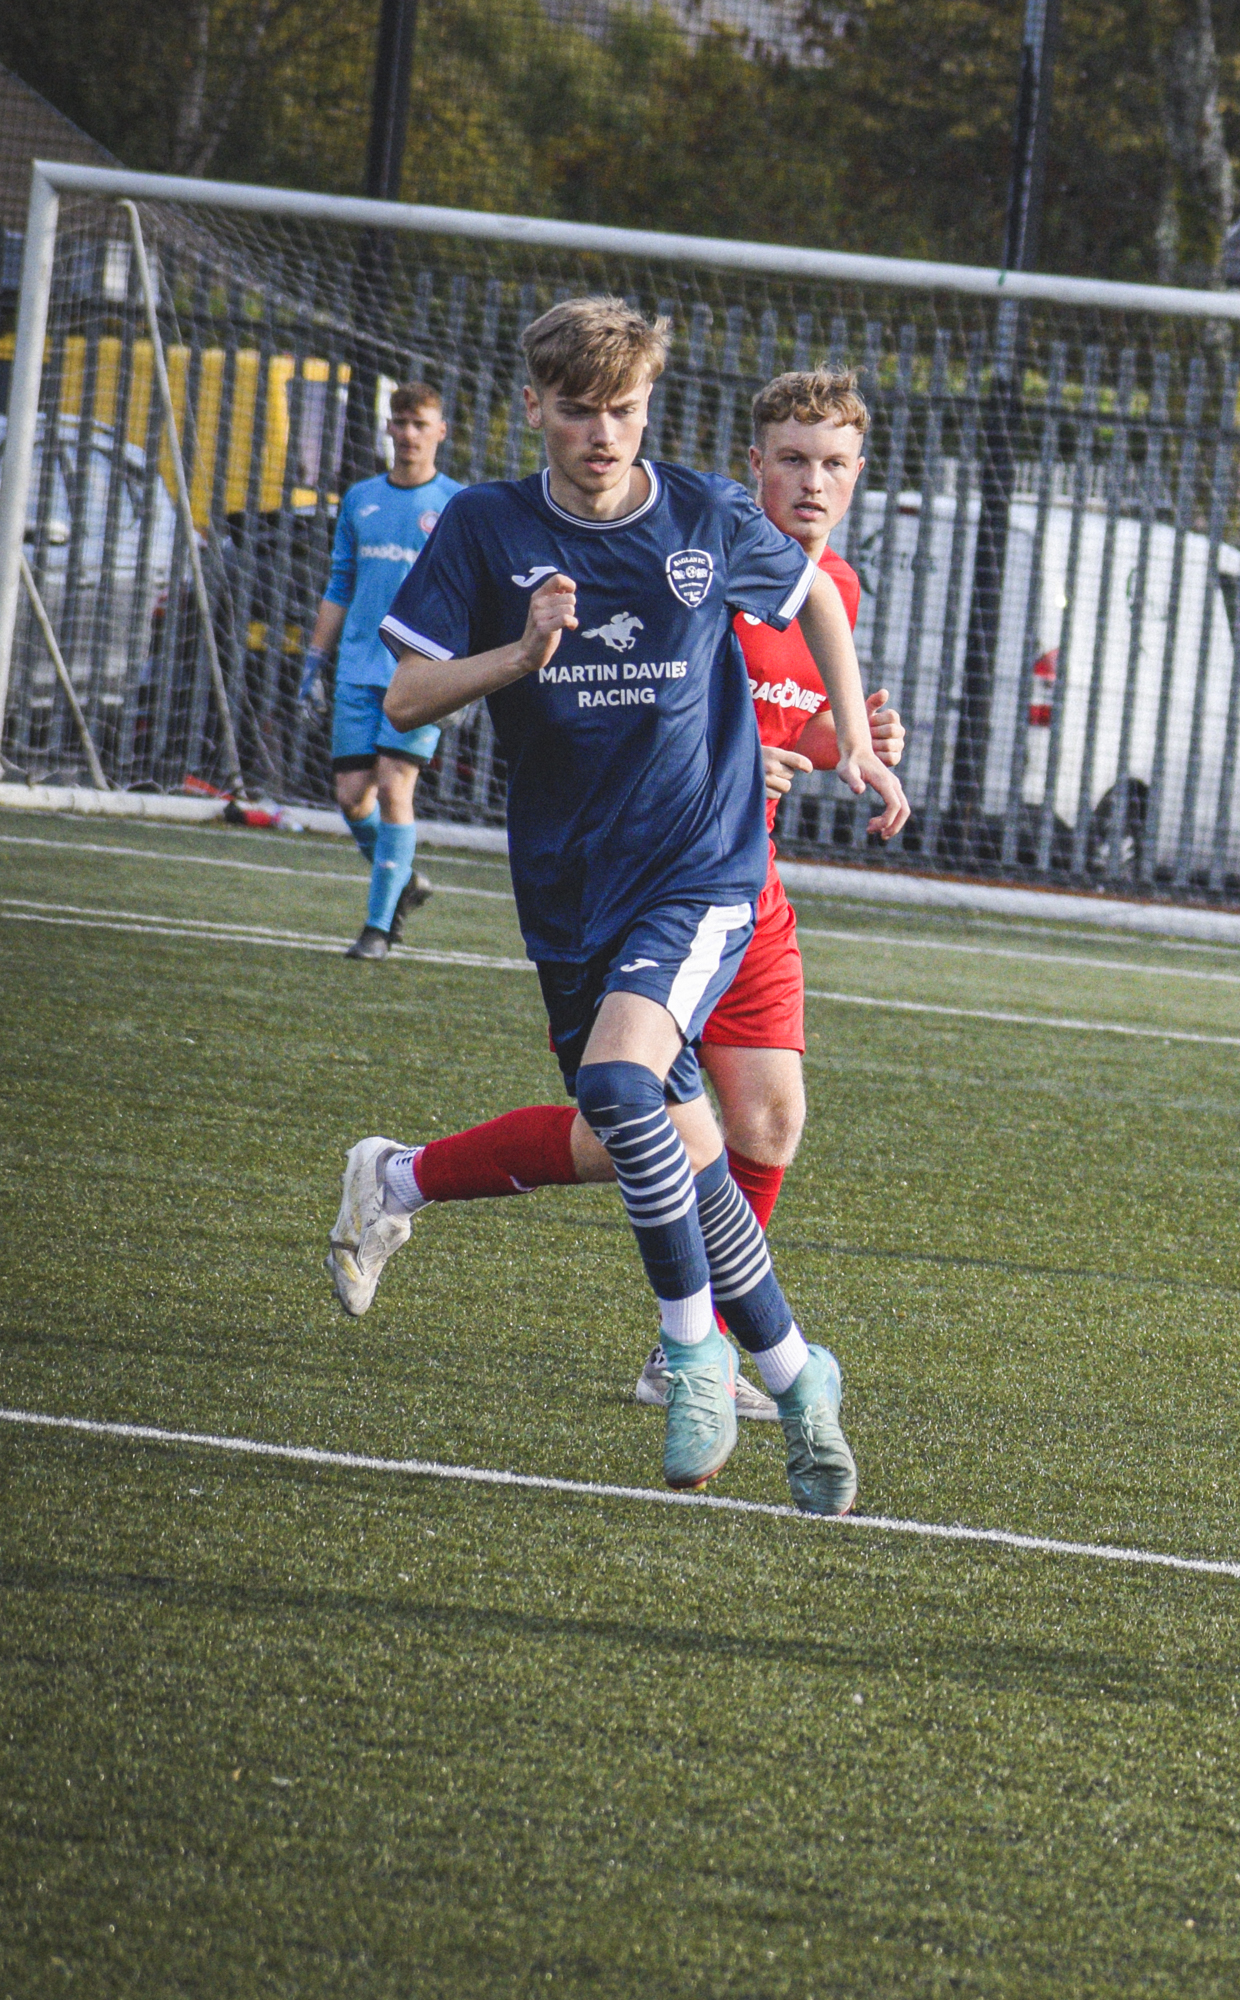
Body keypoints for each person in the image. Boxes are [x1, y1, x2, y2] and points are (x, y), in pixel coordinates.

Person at [322, 298, 912, 1514]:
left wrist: (853, 740)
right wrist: (522, 659)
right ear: (534, 405)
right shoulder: (485, 526)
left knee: (672, 1100)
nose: (604, 433)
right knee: (678, 1153)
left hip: (703, 876)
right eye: (580, 409)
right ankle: (801, 1378)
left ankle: (691, 1354)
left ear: (654, 410)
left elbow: (817, 605)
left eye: (626, 410)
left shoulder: (700, 512)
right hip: (569, 890)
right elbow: (414, 690)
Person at [297, 382, 465, 960]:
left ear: (441, 432)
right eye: (401, 422)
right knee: (351, 797)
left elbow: (470, 596)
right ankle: (405, 880)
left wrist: (461, 675)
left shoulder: (456, 506)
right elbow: (340, 584)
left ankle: (376, 928)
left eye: (421, 424)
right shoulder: (361, 499)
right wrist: (314, 661)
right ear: (388, 429)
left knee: (395, 787)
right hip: (356, 668)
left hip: (419, 673)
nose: (409, 434)